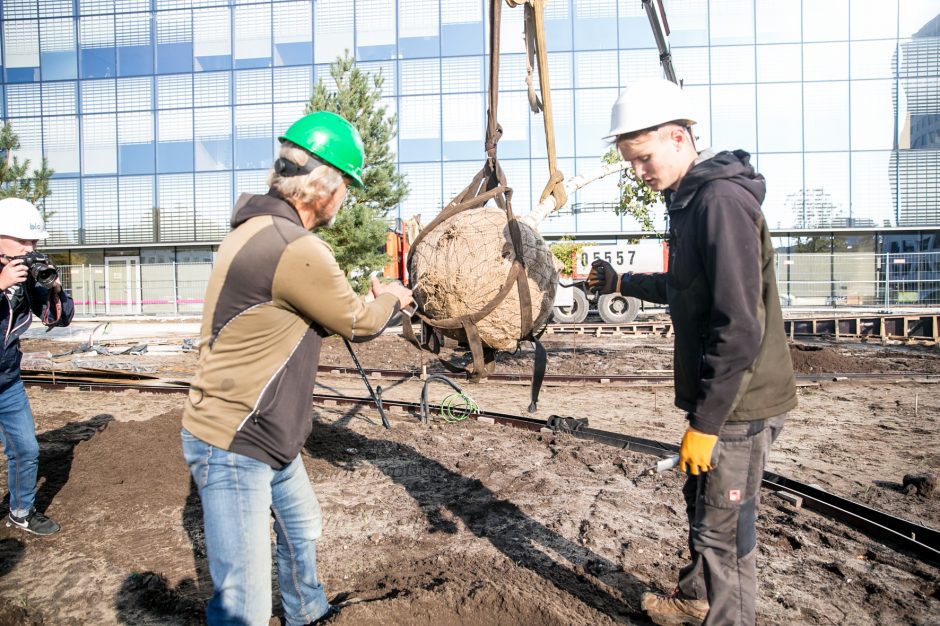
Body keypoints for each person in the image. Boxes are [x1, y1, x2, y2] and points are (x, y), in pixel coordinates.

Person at [180, 111, 413, 626]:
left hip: (262, 430)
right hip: (236, 438)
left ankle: (308, 613)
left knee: (300, 525)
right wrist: (393, 298)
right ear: (321, 186)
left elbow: (295, 315)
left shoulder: (257, 228)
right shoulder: (295, 246)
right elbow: (356, 322)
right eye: (346, 187)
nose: (345, 199)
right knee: (242, 603)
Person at [588, 79, 797, 626]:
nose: (639, 172)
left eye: (644, 158)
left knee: (724, 531)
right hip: (718, 401)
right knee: (702, 507)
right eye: (631, 162)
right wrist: (620, 282)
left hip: (739, 405)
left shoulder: (720, 203)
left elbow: (741, 325)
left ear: (679, 137)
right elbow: (685, 285)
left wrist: (705, 423)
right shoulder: (688, 202)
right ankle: (693, 600)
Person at [1, 197, 74, 536]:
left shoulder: (27, 274)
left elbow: (57, 320)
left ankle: (20, 512)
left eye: (34, 242)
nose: (30, 248)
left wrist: (55, 289)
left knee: (26, 449)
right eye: (23, 241)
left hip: (7, 382)